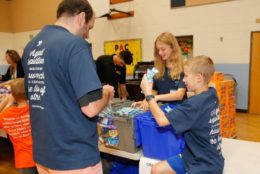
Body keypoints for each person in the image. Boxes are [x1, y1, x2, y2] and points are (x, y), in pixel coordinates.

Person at [21, 0, 114, 173]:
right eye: (89, 28)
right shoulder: (75, 45)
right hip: (74, 157)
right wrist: (107, 94)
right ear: (80, 18)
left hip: (43, 154)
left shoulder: (31, 47)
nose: (87, 35)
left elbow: (32, 98)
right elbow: (91, 108)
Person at [140, 55, 224, 174]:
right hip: (192, 155)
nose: (183, 80)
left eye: (186, 76)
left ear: (199, 78)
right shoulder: (211, 93)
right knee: (156, 170)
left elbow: (161, 121)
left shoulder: (194, 104)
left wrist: (148, 94)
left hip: (205, 165)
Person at [132, 32, 187, 110]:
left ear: (173, 48)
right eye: (158, 50)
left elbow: (179, 94)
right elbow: (154, 90)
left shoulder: (183, 68)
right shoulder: (157, 69)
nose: (160, 53)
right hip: (163, 110)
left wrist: (154, 98)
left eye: (163, 49)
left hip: (179, 110)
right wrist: (145, 101)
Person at [0, 78, 38, 174]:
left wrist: (8, 102)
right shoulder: (36, 110)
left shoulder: (5, 115)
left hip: (23, 160)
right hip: (42, 155)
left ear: (12, 95)